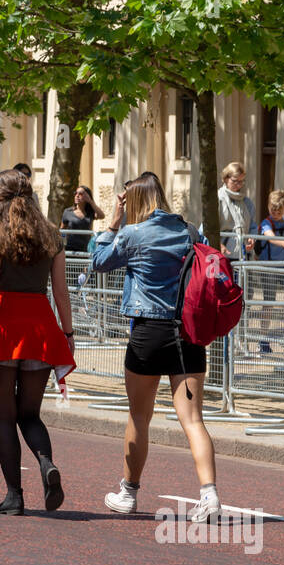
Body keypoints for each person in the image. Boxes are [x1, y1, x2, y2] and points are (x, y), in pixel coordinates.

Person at [91, 173, 221, 523]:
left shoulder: (132, 234)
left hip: (148, 333)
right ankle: (209, 495)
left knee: (139, 416)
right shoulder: (190, 232)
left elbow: (98, 261)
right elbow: (213, 263)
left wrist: (112, 224)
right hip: (187, 333)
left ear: (132, 203)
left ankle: (128, 493)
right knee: (193, 420)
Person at [0, 169, 76, 516]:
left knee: (4, 418)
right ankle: (46, 464)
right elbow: (61, 293)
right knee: (30, 414)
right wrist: (68, 335)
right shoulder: (52, 236)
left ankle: (14, 496)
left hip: (3, 329)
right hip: (40, 329)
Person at [254, 189, 284, 354]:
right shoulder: (266, 223)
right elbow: (270, 237)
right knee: (268, 303)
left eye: (279, 210)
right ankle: (263, 340)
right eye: (273, 209)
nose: (275, 212)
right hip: (269, 268)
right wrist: (283, 243)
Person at [216, 161, 257, 260]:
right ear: (226, 179)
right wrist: (219, 245)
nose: (238, 185)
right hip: (222, 256)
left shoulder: (247, 203)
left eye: (241, 181)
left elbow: (253, 226)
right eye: (234, 181)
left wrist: (252, 238)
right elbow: (206, 229)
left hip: (243, 256)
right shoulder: (218, 199)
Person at [59, 185, 105, 253]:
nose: (77, 196)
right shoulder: (68, 212)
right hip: (70, 250)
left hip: (86, 250)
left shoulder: (90, 212)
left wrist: (90, 201)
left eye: (80, 194)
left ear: (87, 197)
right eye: (76, 193)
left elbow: (102, 216)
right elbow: (62, 230)